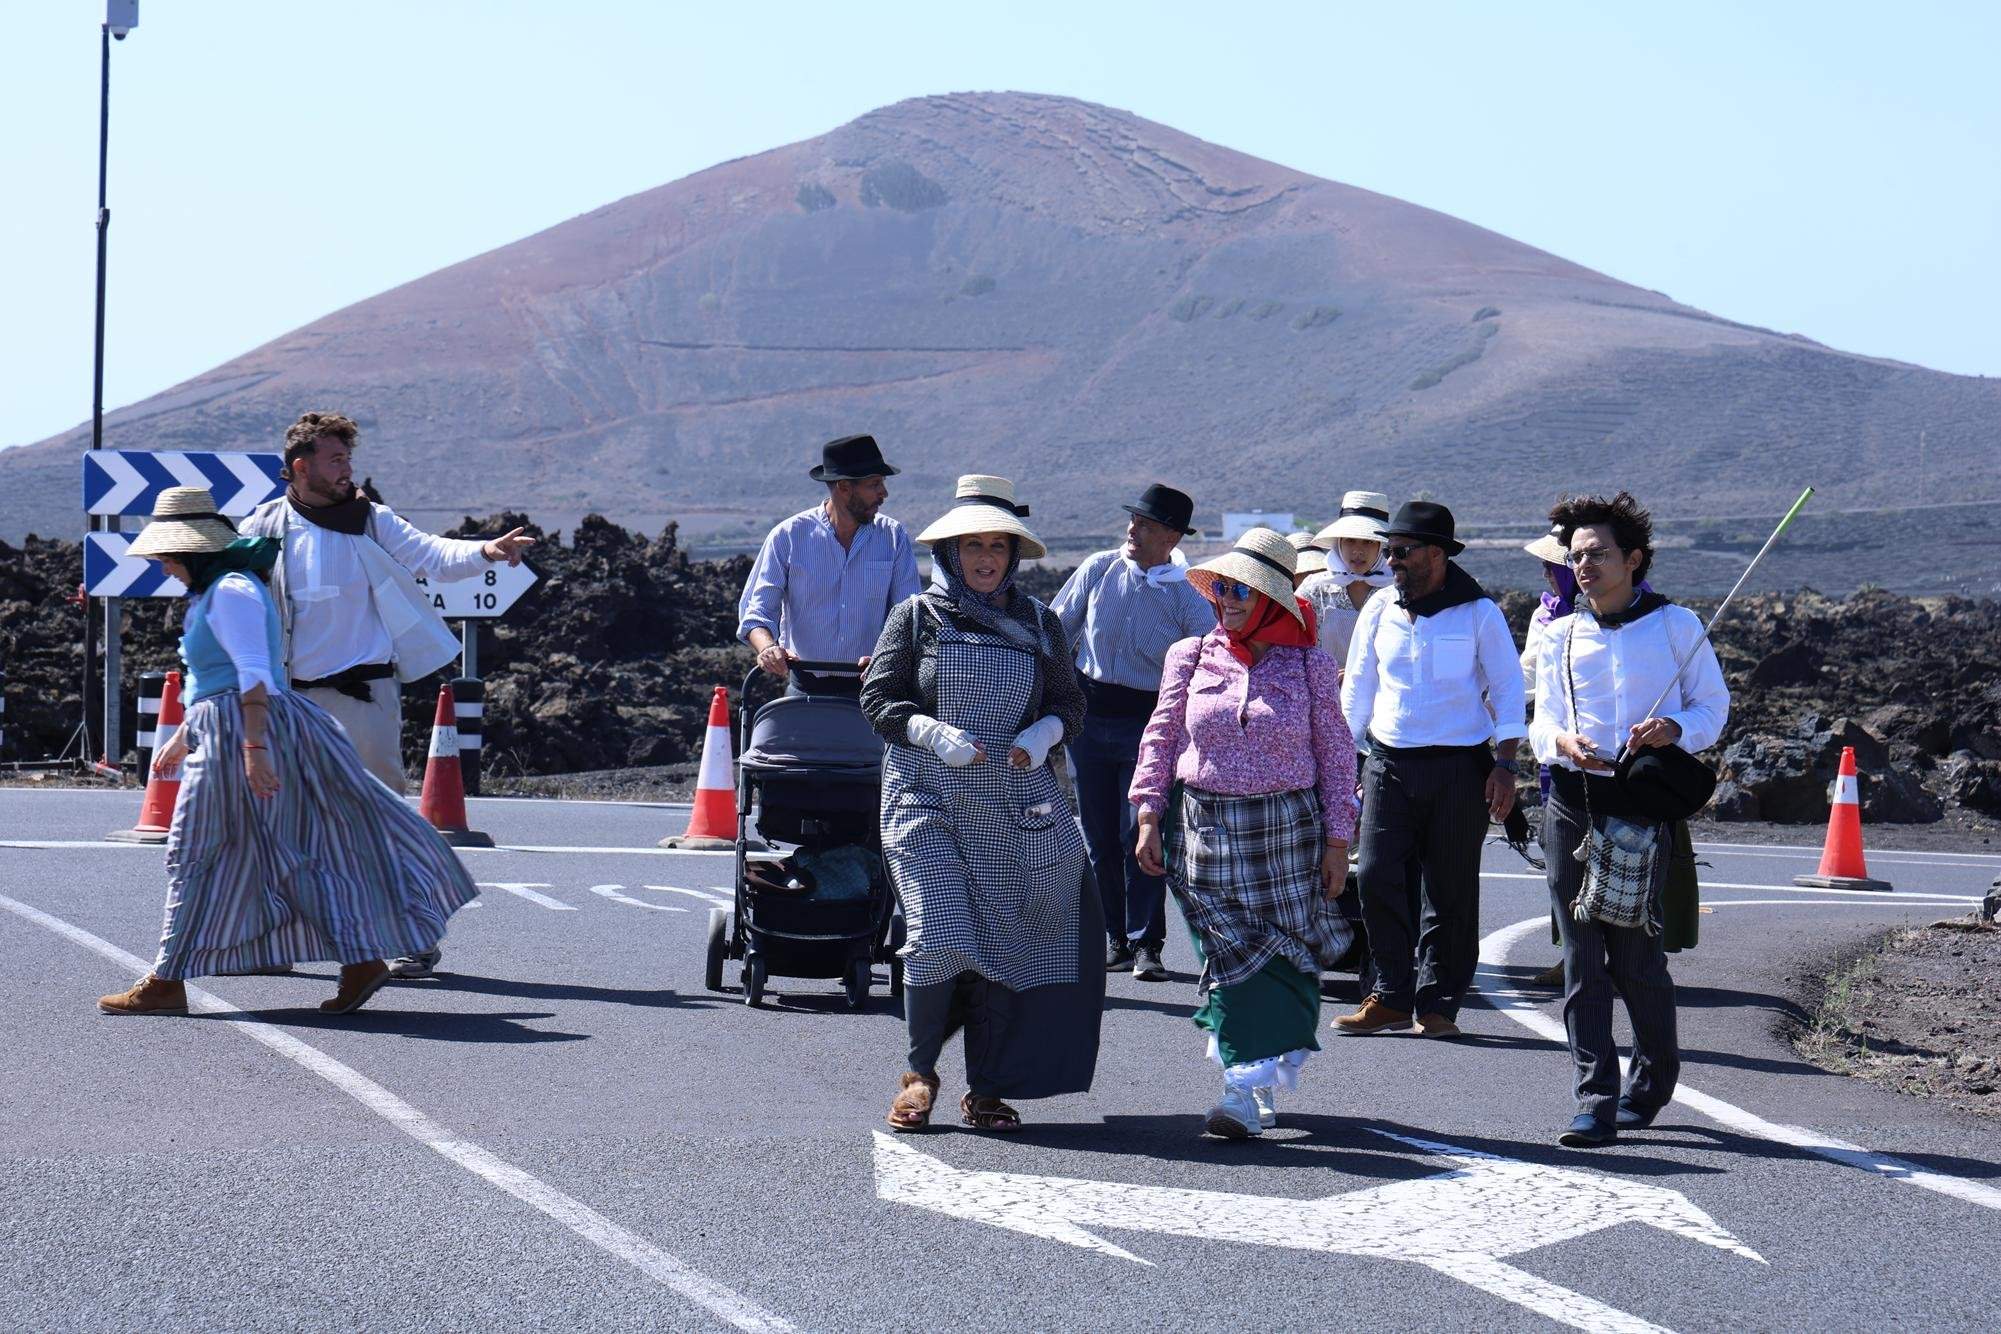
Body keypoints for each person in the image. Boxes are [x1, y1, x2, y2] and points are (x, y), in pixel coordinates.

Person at [97, 488, 480, 1018]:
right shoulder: (217, 592)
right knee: (285, 855)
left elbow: (256, 673)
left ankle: (166, 980)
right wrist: (187, 733)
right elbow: (218, 677)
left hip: (244, 732)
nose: (160, 564)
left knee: (193, 851)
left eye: (164, 554)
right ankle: (361, 959)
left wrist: (253, 748)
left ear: (190, 551)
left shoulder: (231, 592)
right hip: (230, 727)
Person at [238, 411, 531, 979]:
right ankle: (280, 938)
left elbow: (432, 555)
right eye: (336, 459)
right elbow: (231, 588)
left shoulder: (371, 520)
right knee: (284, 819)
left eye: (349, 459)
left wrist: (488, 552)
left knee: (377, 820)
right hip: (290, 700)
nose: (347, 470)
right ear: (301, 467)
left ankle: (412, 935)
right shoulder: (264, 526)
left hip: (362, 692)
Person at [862, 476, 1100, 1134]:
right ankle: (919, 1076)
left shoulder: (1038, 624)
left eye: (997, 545)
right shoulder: (915, 618)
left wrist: (1042, 734)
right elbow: (879, 700)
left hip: (1010, 798)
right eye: (973, 545)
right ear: (949, 552)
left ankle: (987, 1088)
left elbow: (1069, 704)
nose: (986, 557)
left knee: (1003, 943)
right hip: (924, 794)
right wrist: (931, 732)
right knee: (937, 935)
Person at [1130, 528, 1357, 1139]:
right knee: (1233, 964)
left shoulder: (1312, 664)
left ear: (1273, 598)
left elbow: (1337, 755)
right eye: (1222, 587)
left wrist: (1339, 841)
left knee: (1284, 967)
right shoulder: (1191, 654)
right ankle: (1242, 1088)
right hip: (1203, 828)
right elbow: (1162, 736)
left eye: (1241, 589)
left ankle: (1253, 1076)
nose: (1227, 598)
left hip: (1286, 832)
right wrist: (1148, 810)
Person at [1528, 492, 1728, 1146]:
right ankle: (1593, 1098)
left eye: (1597, 554)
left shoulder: (1677, 627)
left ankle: (1653, 1077)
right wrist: (1559, 743)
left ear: (1632, 559)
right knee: (1582, 959)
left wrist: (1674, 728)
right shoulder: (1558, 635)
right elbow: (1543, 720)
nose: (1582, 565)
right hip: (1571, 805)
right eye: (1575, 555)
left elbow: (1711, 709)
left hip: (1640, 808)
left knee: (1637, 959)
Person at [1336, 501, 1526, 1039]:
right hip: (1387, 763)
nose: (1390, 560)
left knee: (1449, 890)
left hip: (1459, 769)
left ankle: (1439, 1002)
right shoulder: (1378, 610)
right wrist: (1348, 759)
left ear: (1437, 555)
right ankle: (1391, 994)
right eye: (1388, 550)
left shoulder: (1478, 612)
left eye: (1402, 551)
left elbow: (1510, 690)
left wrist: (1507, 765)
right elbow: (1359, 689)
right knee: (1375, 877)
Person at [1050, 484, 1212, 981]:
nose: (1131, 530)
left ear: (1170, 536)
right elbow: (1057, 628)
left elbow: (1207, 658)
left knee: (1139, 832)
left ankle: (1147, 943)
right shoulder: (1100, 568)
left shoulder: (1188, 592)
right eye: (1133, 521)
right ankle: (1113, 939)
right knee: (1098, 834)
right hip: (1090, 716)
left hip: (1150, 722)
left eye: (1144, 525)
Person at [738, 433, 923, 691]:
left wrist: (889, 660)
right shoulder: (788, 536)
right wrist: (768, 648)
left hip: (874, 690)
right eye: (874, 484)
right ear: (844, 487)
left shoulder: (893, 537)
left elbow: (909, 618)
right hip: (805, 688)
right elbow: (756, 613)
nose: (884, 493)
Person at [1301, 491, 1396, 674]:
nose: (1358, 551)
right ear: (1339, 543)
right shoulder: (1315, 590)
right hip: (1324, 694)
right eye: (1350, 541)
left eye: (1368, 542)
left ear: (1380, 546)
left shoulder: (1396, 591)